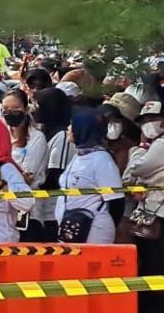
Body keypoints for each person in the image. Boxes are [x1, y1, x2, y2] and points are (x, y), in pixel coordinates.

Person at [56, 110, 124, 243]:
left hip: (94, 231)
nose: (68, 129)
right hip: (71, 229)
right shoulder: (78, 156)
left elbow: (116, 201)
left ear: (83, 128)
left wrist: (105, 224)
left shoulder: (102, 159)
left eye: (72, 125)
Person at [129, 102, 164, 313]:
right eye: (145, 121)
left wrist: (139, 149)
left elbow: (138, 168)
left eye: (153, 119)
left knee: (153, 266)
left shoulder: (159, 145)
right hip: (154, 210)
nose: (148, 125)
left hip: (157, 214)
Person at [2, 90, 48, 241]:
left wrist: (2, 173)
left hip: (30, 212)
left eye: (15, 109)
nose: (10, 113)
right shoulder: (1, 134)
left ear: (26, 109)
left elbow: (28, 176)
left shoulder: (36, 138)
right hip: (5, 210)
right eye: (6, 110)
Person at [36, 87, 75, 240]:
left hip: (53, 211)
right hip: (40, 208)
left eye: (39, 105)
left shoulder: (62, 136)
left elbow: (56, 174)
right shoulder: (43, 132)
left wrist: (32, 183)